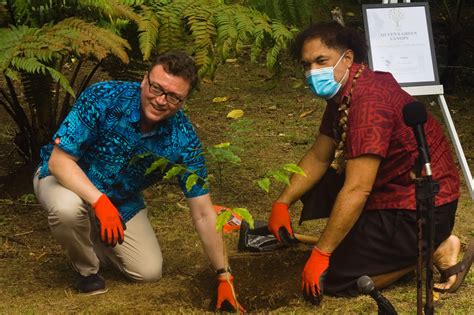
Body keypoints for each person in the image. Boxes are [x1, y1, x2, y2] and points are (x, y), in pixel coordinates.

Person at [267, 21, 472, 304]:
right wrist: (282, 202)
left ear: (348, 58)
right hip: (391, 192)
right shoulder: (345, 91)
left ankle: (432, 248)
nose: (313, 72)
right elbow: (319, 155)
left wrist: (322, 253)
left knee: (337, 279)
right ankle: (401, 246)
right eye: (306, 65)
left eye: (321, 61)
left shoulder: (369, 103)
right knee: (318, 186)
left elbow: (357, 189)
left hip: (420, 208)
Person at [33, 51, 244, 312]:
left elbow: (202, 212)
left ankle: (89, 232)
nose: (160, 100)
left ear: (184, 100)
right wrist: (99, 202)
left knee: (148, 271)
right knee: (67, 209)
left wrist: (224, 275)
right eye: (156, 88)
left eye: (173, 97)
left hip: (121, 200)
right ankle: (88, 273)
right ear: (145, 79)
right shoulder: (104, 97)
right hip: (63, 179)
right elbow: (59, 161)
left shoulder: (183, 139)